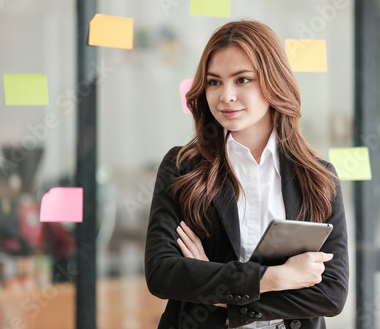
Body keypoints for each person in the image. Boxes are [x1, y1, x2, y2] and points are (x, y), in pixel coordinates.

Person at [145, 19, 349, 329]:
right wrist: (275, 278)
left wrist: (218, 291)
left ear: (273, 82)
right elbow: (163, 273)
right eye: (214, 82)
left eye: (242, 80)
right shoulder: (183, 167)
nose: (226, 95)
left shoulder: (318, 178)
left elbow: (330, 294)